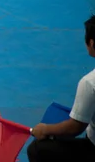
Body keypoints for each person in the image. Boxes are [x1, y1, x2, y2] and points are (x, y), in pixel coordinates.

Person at [26, 15, 95, 161]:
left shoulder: (90, 82)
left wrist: (45, 129)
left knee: (37, 149)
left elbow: (75, 128)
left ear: (91, 43)